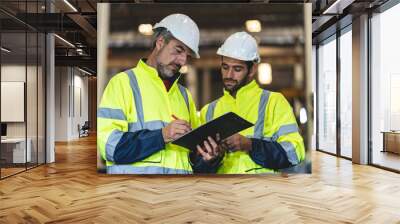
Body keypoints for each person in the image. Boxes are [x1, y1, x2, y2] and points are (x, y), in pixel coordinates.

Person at [98, 13, 209, 174]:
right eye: (178, 51)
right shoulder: (123, 84)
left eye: (187, 56)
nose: (182, 61)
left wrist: (207, 157)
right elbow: (110, 147)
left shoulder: (184, 96)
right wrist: (162, 135)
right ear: (160, 42)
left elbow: (191, 158)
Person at [193, 32, 305, 174]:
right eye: (225, 67)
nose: (229, 75)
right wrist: (210, 159)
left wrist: (250, 145)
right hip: (222, 192)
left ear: (252, 69)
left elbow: (295, 152)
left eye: (237, 69)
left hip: (261, 191)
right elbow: (198, 166)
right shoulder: (208, 111)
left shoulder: (274, 102)